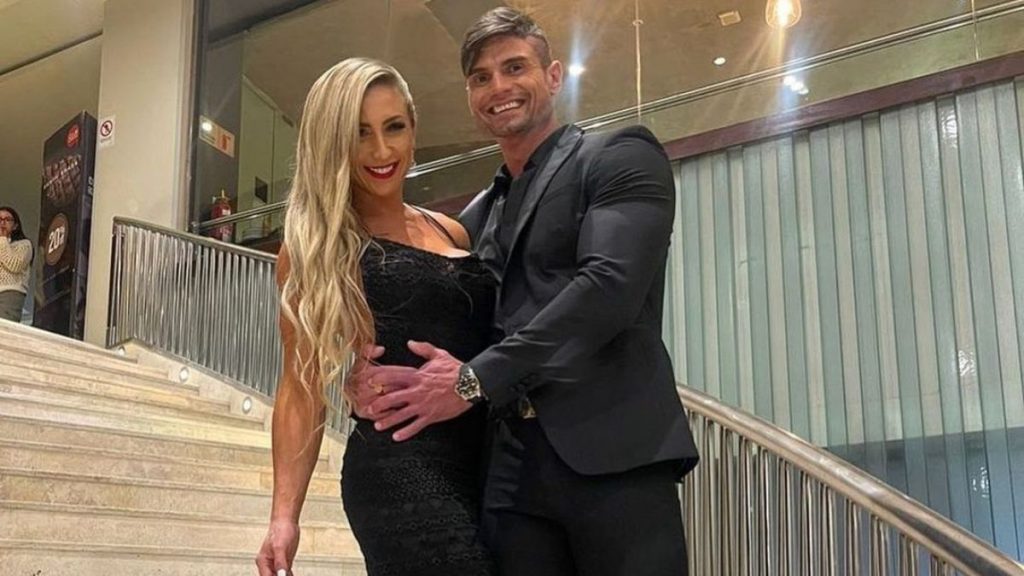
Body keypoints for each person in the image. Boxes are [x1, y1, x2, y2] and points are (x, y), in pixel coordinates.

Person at [357, 7, 700, 576]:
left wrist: (473, 379)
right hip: (508, 478)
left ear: (553, 76)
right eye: (481, 77)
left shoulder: (619, 156)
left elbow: (607, 290)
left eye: (514, 67)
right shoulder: (476, 216)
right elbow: (435, 307)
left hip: (614, 457)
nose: (499, 87)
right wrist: (362, 377)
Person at [255, 58, 496, 576]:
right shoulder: (316, 247)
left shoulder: (452, 231)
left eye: (394, 127)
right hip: (401, 467)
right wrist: (284, 517)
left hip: (485, 462)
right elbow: (299, 386)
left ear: (414, 128)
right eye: (360, 133)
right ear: (332, 142)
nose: (382, 151)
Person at [0, 206, 33, 323]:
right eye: (0, 219)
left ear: (15, 226)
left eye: (7, 219)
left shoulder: (24, 245)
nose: (2, 223)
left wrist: (2, 238)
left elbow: (14, 264)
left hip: (9, 294)